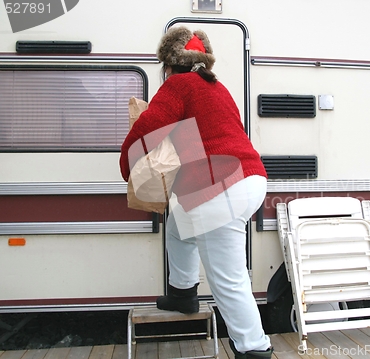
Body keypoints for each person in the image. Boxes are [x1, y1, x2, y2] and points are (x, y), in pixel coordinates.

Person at [119, 26, 273, 359]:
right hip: (250, 179)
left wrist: (127, 164)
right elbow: (204, 138)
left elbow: (149, 126)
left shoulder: (178, 84)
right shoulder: (216, 88)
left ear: (170, 64)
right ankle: (182, 293)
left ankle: (254, 348)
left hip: (222, 187)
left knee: (228, 279)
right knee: (178, 227)